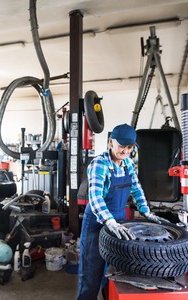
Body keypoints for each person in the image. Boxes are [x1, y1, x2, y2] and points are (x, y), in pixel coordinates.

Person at [77, 123, 161, 300]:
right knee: (91, 274)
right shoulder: (99, 164)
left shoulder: (128, 164)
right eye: (121, 146)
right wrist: (110, 222)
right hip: (96, 224)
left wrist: (146, 212)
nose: (125, 151)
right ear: (110, 143)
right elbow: (96, 197)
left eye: (129, 147)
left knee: (114, 273)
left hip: (120, 224)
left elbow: (137, 190)